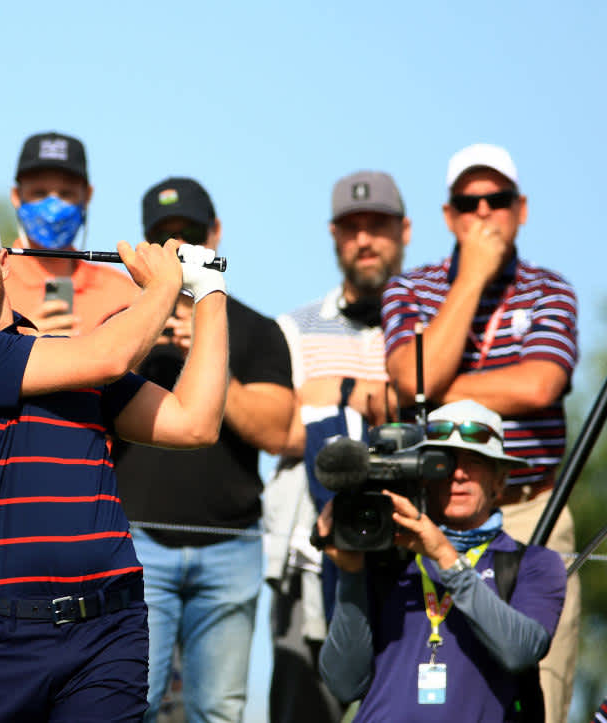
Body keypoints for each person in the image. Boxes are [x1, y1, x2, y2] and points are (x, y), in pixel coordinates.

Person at [0, 198, 229, 722]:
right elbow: (110, 355)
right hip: (2, 638)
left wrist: (210, 292)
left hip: (110, 628)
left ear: (4, 261)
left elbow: (194, 421)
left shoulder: (68, 357)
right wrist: (164, 285)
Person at [382, 143, 579, 723]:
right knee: (435, 683)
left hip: (532, 513)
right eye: (470, 202)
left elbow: (541, 384)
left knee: (539, 683)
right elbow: (410, 378)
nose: (484, 213)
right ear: (449, 217)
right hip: (434, 510)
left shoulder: (551, 290)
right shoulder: (410, 288)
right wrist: (471, 279)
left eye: (498, 200)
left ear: (521, 210)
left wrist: (439, 391)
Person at [112, 177, 294, 723]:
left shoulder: (258, 330)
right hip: (138, 543)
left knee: (218, 710)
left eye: (189, 234)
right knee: (131, 702)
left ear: (214, 234)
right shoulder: (123, 326)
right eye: (162, 238)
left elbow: (278, 431)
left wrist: (209, 352)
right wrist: (146, 340)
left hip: (230, 546)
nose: (177, 248)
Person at [317, 399, 567, 722]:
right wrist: (350, 574)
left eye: (475, 461)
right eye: (446, 461)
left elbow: (520, 651)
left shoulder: (533, 563)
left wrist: (444, 556)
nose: (459, 474)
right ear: (424, 475)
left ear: (500, 480)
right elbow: (343, 683)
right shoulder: (386, 557)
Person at [265, 170, 409, 723]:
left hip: (405, 552)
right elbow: (283, 426)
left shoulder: (426, 326)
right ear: (332, 234)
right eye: (352, 228)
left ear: (406, 230)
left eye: (378, 225)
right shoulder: (292, 328)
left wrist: (334, 393)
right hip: (313, 551)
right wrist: (372, 397)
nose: (365, 239)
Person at [4, 131, 138, 334]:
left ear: (87, 196)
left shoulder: (124, 294)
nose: (53, 208)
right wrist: (21, 343)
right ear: (16, 196)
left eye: (66, 194)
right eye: (39, 193)